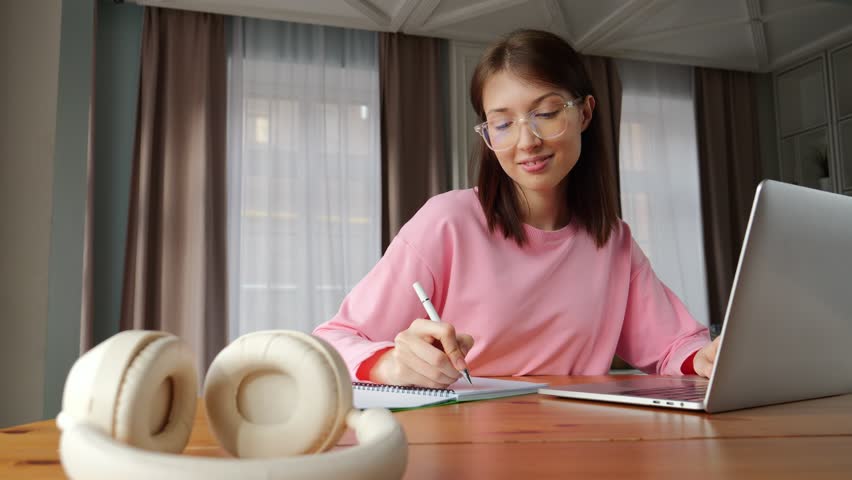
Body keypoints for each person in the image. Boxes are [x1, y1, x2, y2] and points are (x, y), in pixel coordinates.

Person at [313, 29, 720, 388]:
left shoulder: (612, 239)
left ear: (585, 113)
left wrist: (702, 357)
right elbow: (334, 338)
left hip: (579, 443)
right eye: (503, 124)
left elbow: (674, 345)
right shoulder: (447, 222)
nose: (527, 141)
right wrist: (391, 365)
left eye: (545, 113)